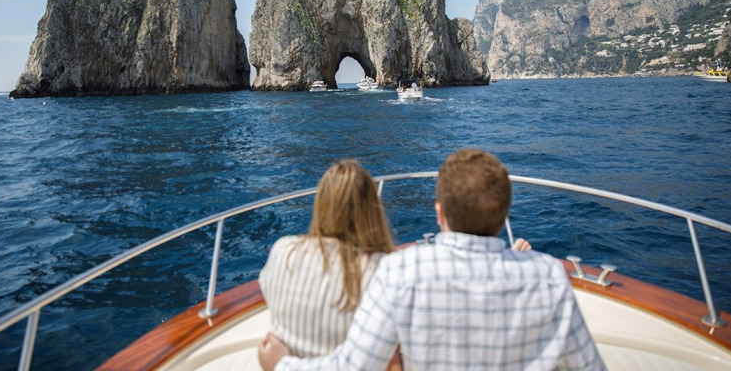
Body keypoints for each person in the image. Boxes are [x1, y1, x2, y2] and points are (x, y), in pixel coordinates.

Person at [258, 149, 606, 371]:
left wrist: (282, 364)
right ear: (503, 216)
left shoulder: (400, 273)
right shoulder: (549, 276)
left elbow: (353, 367)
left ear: (439, 214)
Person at [258, 159, 395, 358]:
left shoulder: (283, 250)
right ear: (372, 210)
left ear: (321, 204)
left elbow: (267, 290)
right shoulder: (380, 270)